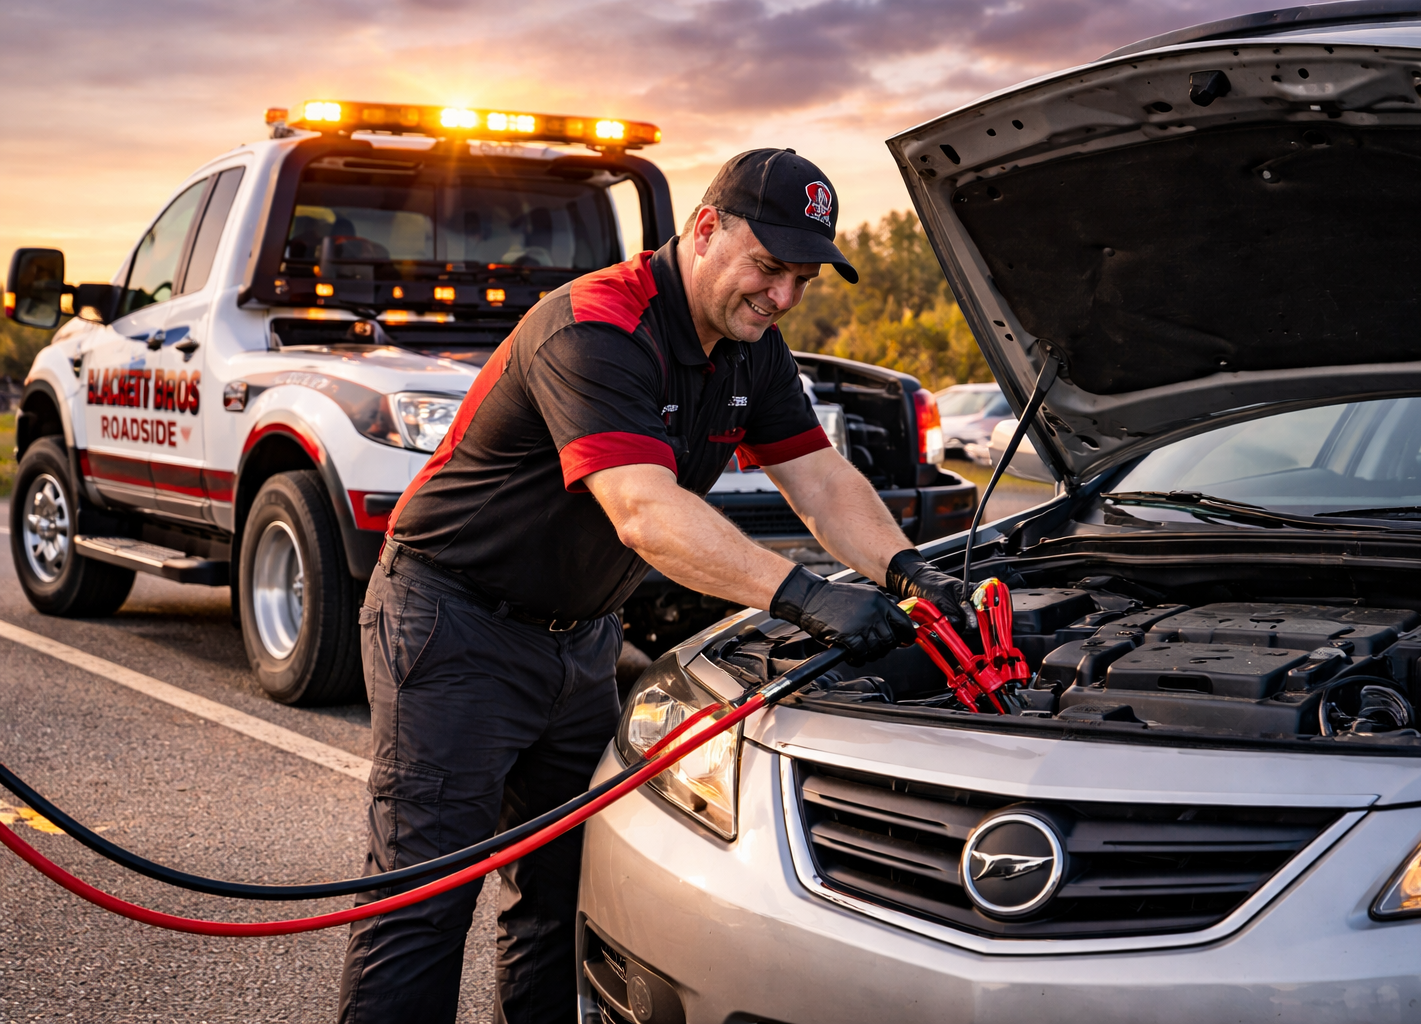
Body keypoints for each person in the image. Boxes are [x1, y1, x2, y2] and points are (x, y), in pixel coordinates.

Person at [336, 149, 975, 1024]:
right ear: (705, 229)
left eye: (803, 277)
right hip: (454, 625)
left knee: (561, 897)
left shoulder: (751, 347)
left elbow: (820, 481)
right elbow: (644, 511)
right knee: (424, 903)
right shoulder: (595, 325)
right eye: (769, 267)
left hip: (581, 640)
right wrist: (808, 596)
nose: (783, 296)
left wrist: (908, 570)